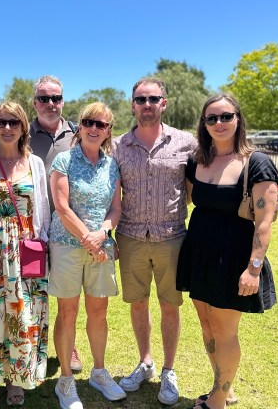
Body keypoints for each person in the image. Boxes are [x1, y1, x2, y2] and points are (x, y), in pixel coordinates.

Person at [176, 94, 278, 409]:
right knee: (206, 323)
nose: (218, 123)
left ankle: (217, 401)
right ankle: (223, 386)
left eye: (226, 117)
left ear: (238, 119)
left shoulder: (256, 162)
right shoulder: (197, 161)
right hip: (199, 253)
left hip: (234, 258)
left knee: (224, 329)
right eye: (211, 118)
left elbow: (264, 223)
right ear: (203, 124)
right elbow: (191, 200)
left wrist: (253, 269)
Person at [111, 77, 197, 405]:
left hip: (171, 238)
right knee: (137, 304)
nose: (147, 104)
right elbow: (111, 196)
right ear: (132, 104)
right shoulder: (117, 146)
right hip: (131, 237)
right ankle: (145, 362)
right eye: (141, 99)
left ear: (164, 103)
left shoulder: (186, 143)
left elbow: (196, 189)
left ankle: (169, 370)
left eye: (153, 98)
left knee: (170, 306)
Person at [0, 101, 50, 409]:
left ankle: (16, 378)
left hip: (28, 251)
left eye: (14, 122)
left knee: (24, 315)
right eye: (1, 122)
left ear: (23, 127)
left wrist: (44, 246)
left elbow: (42, 210)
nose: (7, 127)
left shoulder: (35, 163)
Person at [49, 102, 124, 409]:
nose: (94, 128)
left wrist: (103, 232)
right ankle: (65, 380)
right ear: (79, 126)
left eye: (102, 124)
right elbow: (62, 206)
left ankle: (99, 371)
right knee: (67, 312)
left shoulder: (112, 165)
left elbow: (116, 208)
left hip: (100, 248)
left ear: (108, 131)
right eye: (89, 122)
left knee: (99, 312)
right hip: (67, 245)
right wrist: (87, 237)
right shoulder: (63, 160)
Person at [28, 75, 84, 372]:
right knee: (33, 289)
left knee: (66, 292)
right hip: (32, 227)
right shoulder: (21, 134)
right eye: (44, 98)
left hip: (66, 228)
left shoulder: (77, 133)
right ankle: (33, 346)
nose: (51, 104)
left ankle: (69, 346)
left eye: (56, 98)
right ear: (34, 102)